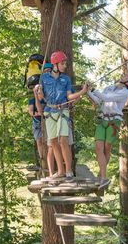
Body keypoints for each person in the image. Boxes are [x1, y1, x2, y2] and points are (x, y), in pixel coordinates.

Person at [36, 51, 89, 182]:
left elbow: (69, 96)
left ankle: (69, 170)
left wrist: (82, 92)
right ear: (55, 64)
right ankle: (60, 171)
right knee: (53, 141)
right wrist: (39, 91)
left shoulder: (66, 79)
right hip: (50, 111)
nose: (65, 65)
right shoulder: (44, 78)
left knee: (63, 140)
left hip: (63, 111)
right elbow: (41, 97)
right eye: (63, 63)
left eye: (65, 63)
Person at [87, 72, 128, 179]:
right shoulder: (109, 88)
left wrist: (93, 90)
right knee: (98, 148)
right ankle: (103, 177)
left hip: (114, 121)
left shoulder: (125, 93)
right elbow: (99, 101)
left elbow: (106, 98)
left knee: (106, 148)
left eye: (127, 76)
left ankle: (102, 176)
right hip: (102, 119)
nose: (124, 74)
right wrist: (87, 91)